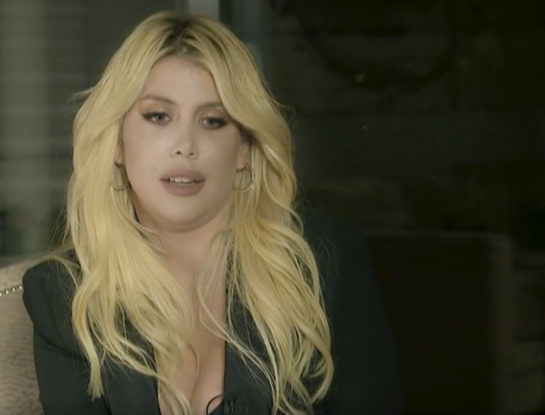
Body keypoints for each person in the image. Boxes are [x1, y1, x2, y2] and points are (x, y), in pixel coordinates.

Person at [22, 11, 402, 415]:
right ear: (117, 142)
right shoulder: (63, 295)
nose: (186, 145)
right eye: (158, 116)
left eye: (213, 120)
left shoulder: (323, 260)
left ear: (243, 149)